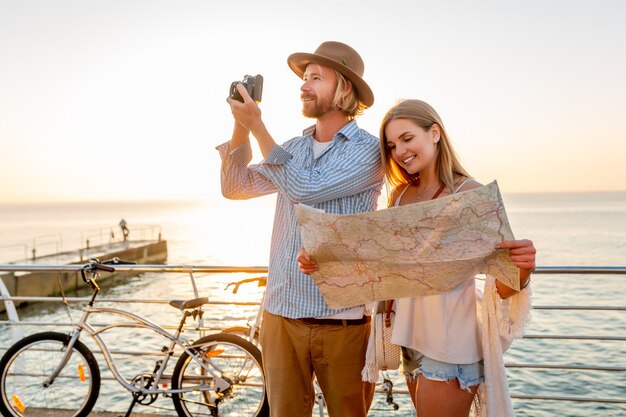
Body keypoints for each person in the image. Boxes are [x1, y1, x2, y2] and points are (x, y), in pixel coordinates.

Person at [298, 99, 536, 417]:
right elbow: (378, 264)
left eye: (407, 138)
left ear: (434, 133)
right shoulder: (399, 197)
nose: (399, 151)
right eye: (392, 145)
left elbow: (504, 285)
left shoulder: (470, 195)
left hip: (451, 345)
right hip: (411, 341)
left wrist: (524, 268)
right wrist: (322, 262)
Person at [217, 41, 383, 417]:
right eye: (304, 78)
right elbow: (235, 186)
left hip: (344, 322)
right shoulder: (291, 148)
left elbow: (306, 188)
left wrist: (258, 126)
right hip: (281, 316)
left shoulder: (369, 151)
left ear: (344, 88)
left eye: (315, 78)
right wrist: (241, 127)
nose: (304, 86)